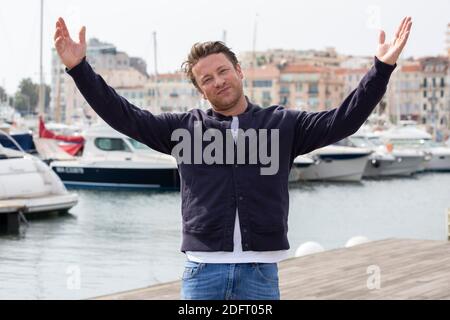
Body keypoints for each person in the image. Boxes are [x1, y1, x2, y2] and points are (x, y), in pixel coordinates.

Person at [54, 16, 412, 300]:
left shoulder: (283, 125)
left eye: (223, 71)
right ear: (200, 90)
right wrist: (79, 69)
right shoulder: (184, 130)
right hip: (202, 273)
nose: (218, 81)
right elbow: (124, 115)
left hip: (260, 274)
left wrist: (381, 68)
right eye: (207, 79)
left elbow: (344, 119)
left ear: (239, 71)